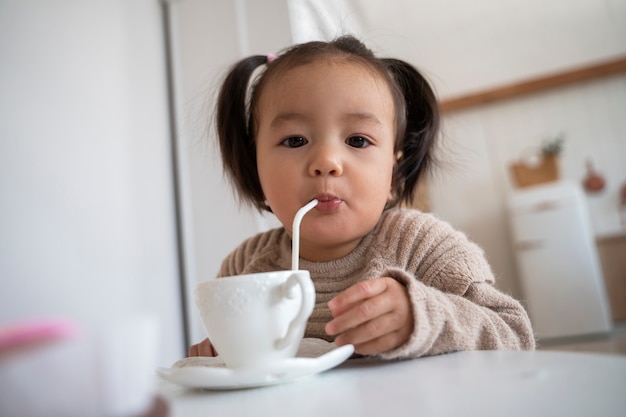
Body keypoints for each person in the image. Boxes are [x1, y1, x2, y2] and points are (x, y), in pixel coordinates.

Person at [188, 35, 535, 359]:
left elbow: (515, 336)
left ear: (394, 175)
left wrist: (423, 318)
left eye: (357, 141)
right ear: (255, 166)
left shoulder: (423, 246)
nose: (326, 162)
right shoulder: (242, 270)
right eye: (295, 140)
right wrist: (224, 358)